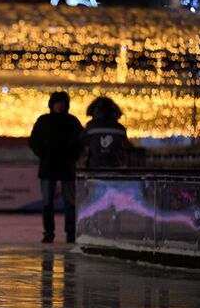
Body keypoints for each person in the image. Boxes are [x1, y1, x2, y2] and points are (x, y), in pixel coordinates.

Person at [29, 91, 83, 244]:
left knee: (69, 203)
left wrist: (73, 156)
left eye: (62, 103)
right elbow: (34, 141)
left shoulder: (72, 122)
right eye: (57, 103)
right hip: (49, 167)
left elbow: (80, 142)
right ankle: (49, 233)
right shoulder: (44, 121)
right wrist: (43, 154)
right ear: (52, 104)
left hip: (65, 167)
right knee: (47, 203)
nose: (59, 106)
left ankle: (70, 233)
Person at [80, 97, 128, 168]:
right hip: (115, 167)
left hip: (94, 168)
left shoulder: (90, 128)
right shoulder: (120, 129)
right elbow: (125, 146)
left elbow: (81, 143)